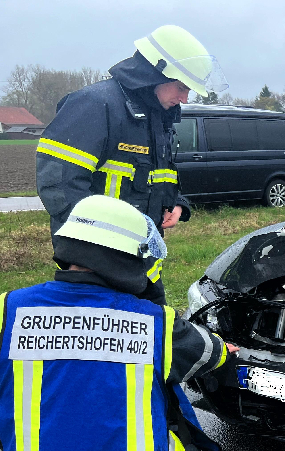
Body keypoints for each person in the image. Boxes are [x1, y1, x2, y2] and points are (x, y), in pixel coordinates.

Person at [0, 195, 237, 451]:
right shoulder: (154, 322)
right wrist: (227, 353)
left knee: (72, 433)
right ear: (126, 259)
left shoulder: (9, 309)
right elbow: (210, 355)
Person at [36, 25, 228, 305]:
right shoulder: (94, 104)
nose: (185, 98)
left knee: (153, 336)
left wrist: (176, 203)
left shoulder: (158, 116)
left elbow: (161, 175)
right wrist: (97, 251)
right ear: (154, 74)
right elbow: (59, 186)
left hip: (139, 262)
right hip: (97, 266)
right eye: (182, 86)